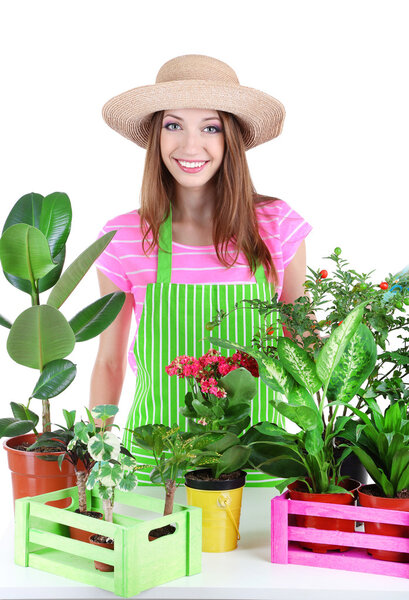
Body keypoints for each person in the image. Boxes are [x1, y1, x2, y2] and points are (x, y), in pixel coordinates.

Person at [90, 54, 312, 485]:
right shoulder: (123, 238)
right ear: (156, 137)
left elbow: (301, 347)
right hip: (157, 465)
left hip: (259, 464)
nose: (190, 146)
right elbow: (110, 362)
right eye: (173, 125)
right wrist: (102, 456)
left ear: (231, 139)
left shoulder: (276, 225)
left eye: (209, 127)